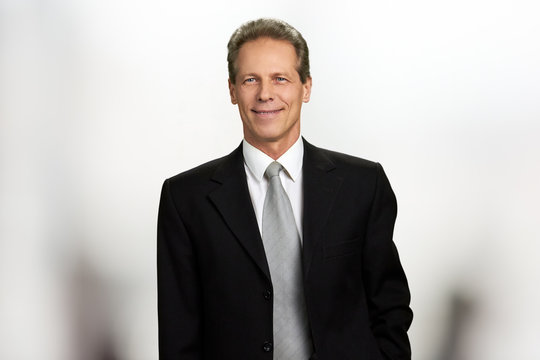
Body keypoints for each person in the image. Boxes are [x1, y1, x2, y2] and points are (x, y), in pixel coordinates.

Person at [157, 18, 413, 360]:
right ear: (232, 90)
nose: (266, 94)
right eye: (251, 80)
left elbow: (390, 308)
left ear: (305, 87)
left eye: (281, 78)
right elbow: (178, 334)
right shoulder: (185, 199)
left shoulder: (362, 186)